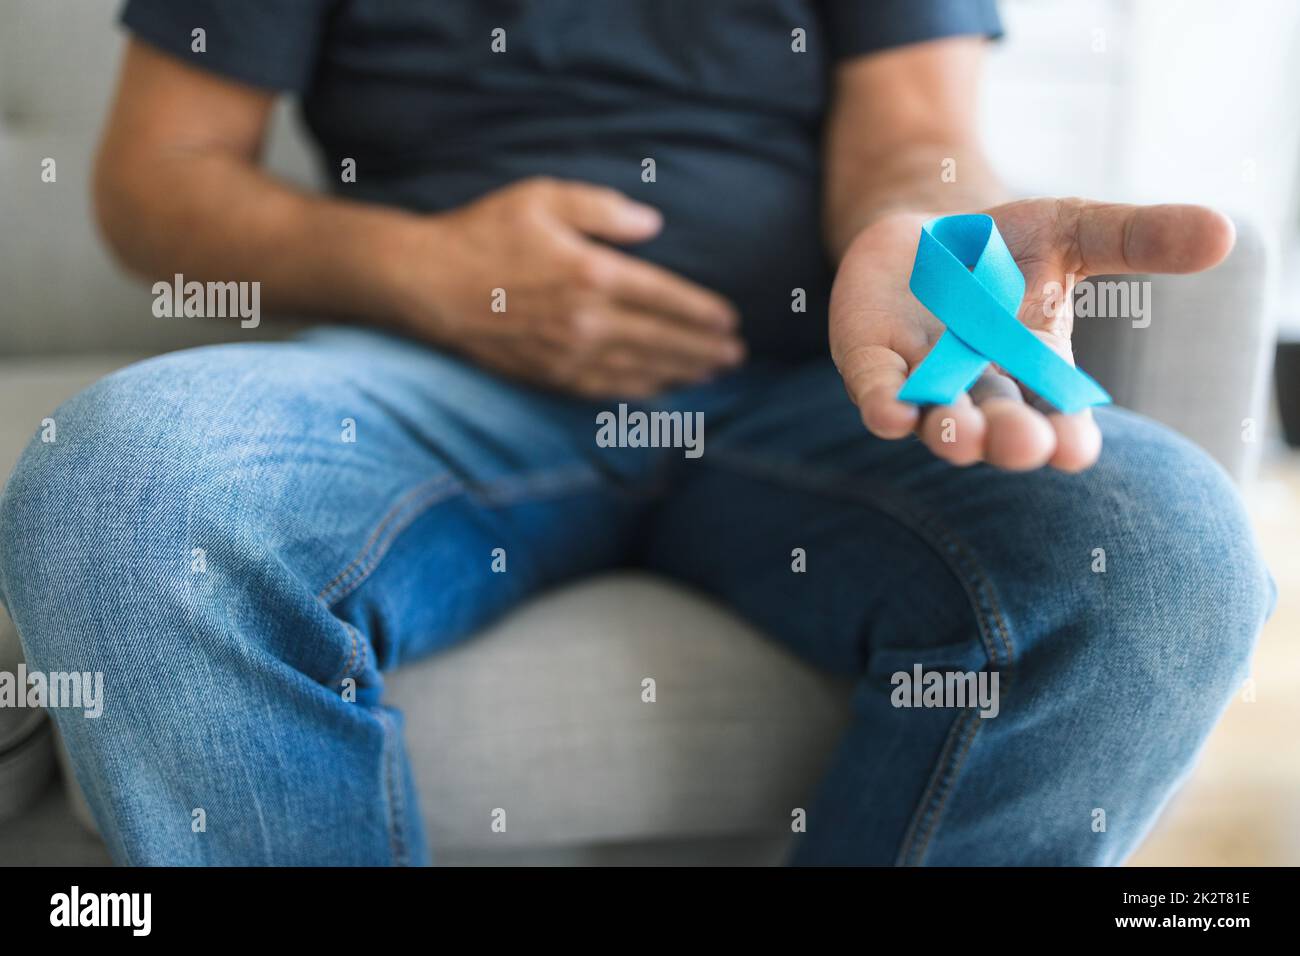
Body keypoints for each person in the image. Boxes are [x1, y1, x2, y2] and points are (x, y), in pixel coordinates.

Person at [0, 0, 1272, 865]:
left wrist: (927, 245)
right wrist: (430, 270)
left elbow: (913, 136)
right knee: (127, 484)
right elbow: (156, 181)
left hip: (803, 390)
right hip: (424, 384)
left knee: (1161, 544)